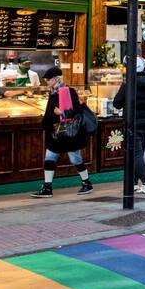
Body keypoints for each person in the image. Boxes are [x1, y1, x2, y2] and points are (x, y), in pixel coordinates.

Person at [32, 66, 92, 197]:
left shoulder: (68, 91)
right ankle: (47, 187)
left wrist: (62, 113)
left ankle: (87, 183)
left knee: (75, 159)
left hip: (68, 133)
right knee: (49, 158)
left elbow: (77, 111)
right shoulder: (53, 92)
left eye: (48, 79)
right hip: (55, 132)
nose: (46, 82)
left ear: (56, 79)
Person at [113, 56, 145, 194]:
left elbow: (117, 103)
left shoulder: (129, 84)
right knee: (139, 153)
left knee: (136, 154)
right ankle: (133, 183)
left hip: (132, 123)